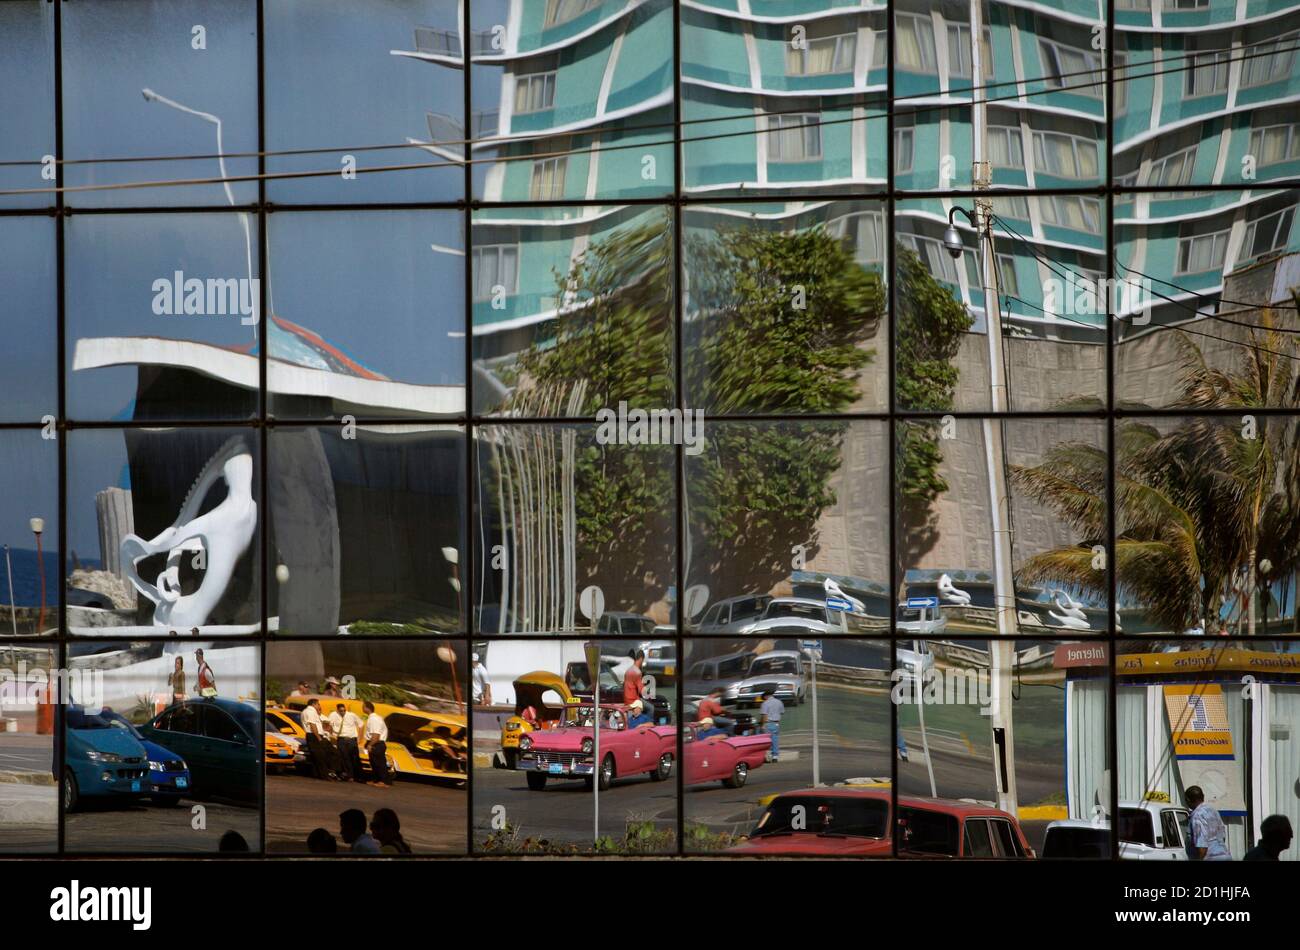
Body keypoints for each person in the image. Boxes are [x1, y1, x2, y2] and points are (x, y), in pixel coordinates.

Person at [1185, 786, 1232, 860]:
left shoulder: (1197, 816)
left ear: (1188, 800)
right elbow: (1222, 837)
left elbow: (1202, 847)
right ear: (1203, 796)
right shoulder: (1213, 811)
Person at [301, 698, 339, 781]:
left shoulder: (306, 711)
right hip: (314, 736)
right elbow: (312, 725)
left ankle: (321, 774)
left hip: (315, 735)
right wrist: (318, 737)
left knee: (321, 755)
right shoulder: (310, 711)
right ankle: (324, 775)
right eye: (318, 704)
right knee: (320, 757)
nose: (319, 706)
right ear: (313, 704)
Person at [329, 702, 365, 783]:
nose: (343, 712)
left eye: (344, 710)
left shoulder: (351, 715)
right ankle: (349, 776)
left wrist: (360, 738)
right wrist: (331, 734)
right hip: (341, 739)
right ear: (337, 710)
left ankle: (359, 776)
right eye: (341, 711)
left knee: (354, 758)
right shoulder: (333, 715)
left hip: (352, 739)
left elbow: (361, 724)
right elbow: (329, 724)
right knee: (344, 758)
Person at [363, 701, 391, 787]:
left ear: (367, 708)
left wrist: (370, 745)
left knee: (379, 763)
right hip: (375, 743)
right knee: (374, 763)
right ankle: (376, 780)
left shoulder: (374, 719)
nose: (362, 708)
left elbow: (376, 734)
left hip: (377, 744)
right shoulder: (374, 718)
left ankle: (384, 781)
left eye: (363, 706)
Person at [759, 688, 784, 762]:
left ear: (766, 696)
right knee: (775, 740)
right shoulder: (779, 702)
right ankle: (775, 756)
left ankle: (766, 755)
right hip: (776, 723)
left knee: (765, 741)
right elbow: (781, 712)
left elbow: (764, 715)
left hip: (768, 723)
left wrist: (762, 725)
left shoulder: (765, 703)